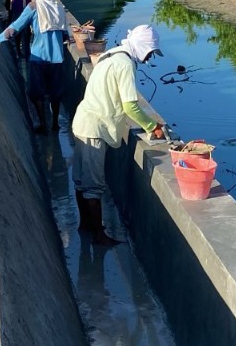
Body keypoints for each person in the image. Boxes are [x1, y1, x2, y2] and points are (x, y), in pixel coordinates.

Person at [70, 24, 167, 246]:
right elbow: (130, 106)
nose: (149, 57)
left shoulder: (112, 54)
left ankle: (85, 225)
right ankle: (98, 234)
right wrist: (152, 126)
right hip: (95, 128)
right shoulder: (125, 64)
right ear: (142, 46)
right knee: (93, 186)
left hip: (84, 122)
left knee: (81, 181)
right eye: (150, 52)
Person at [0, 0, 70, 133]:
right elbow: (66, 34)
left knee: (36, 93)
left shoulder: (33, 7)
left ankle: (43, 124)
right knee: (55, 93)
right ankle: (55, 123)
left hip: (39, 57)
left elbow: (15, 27)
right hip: (57, 58)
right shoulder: (58, 7)